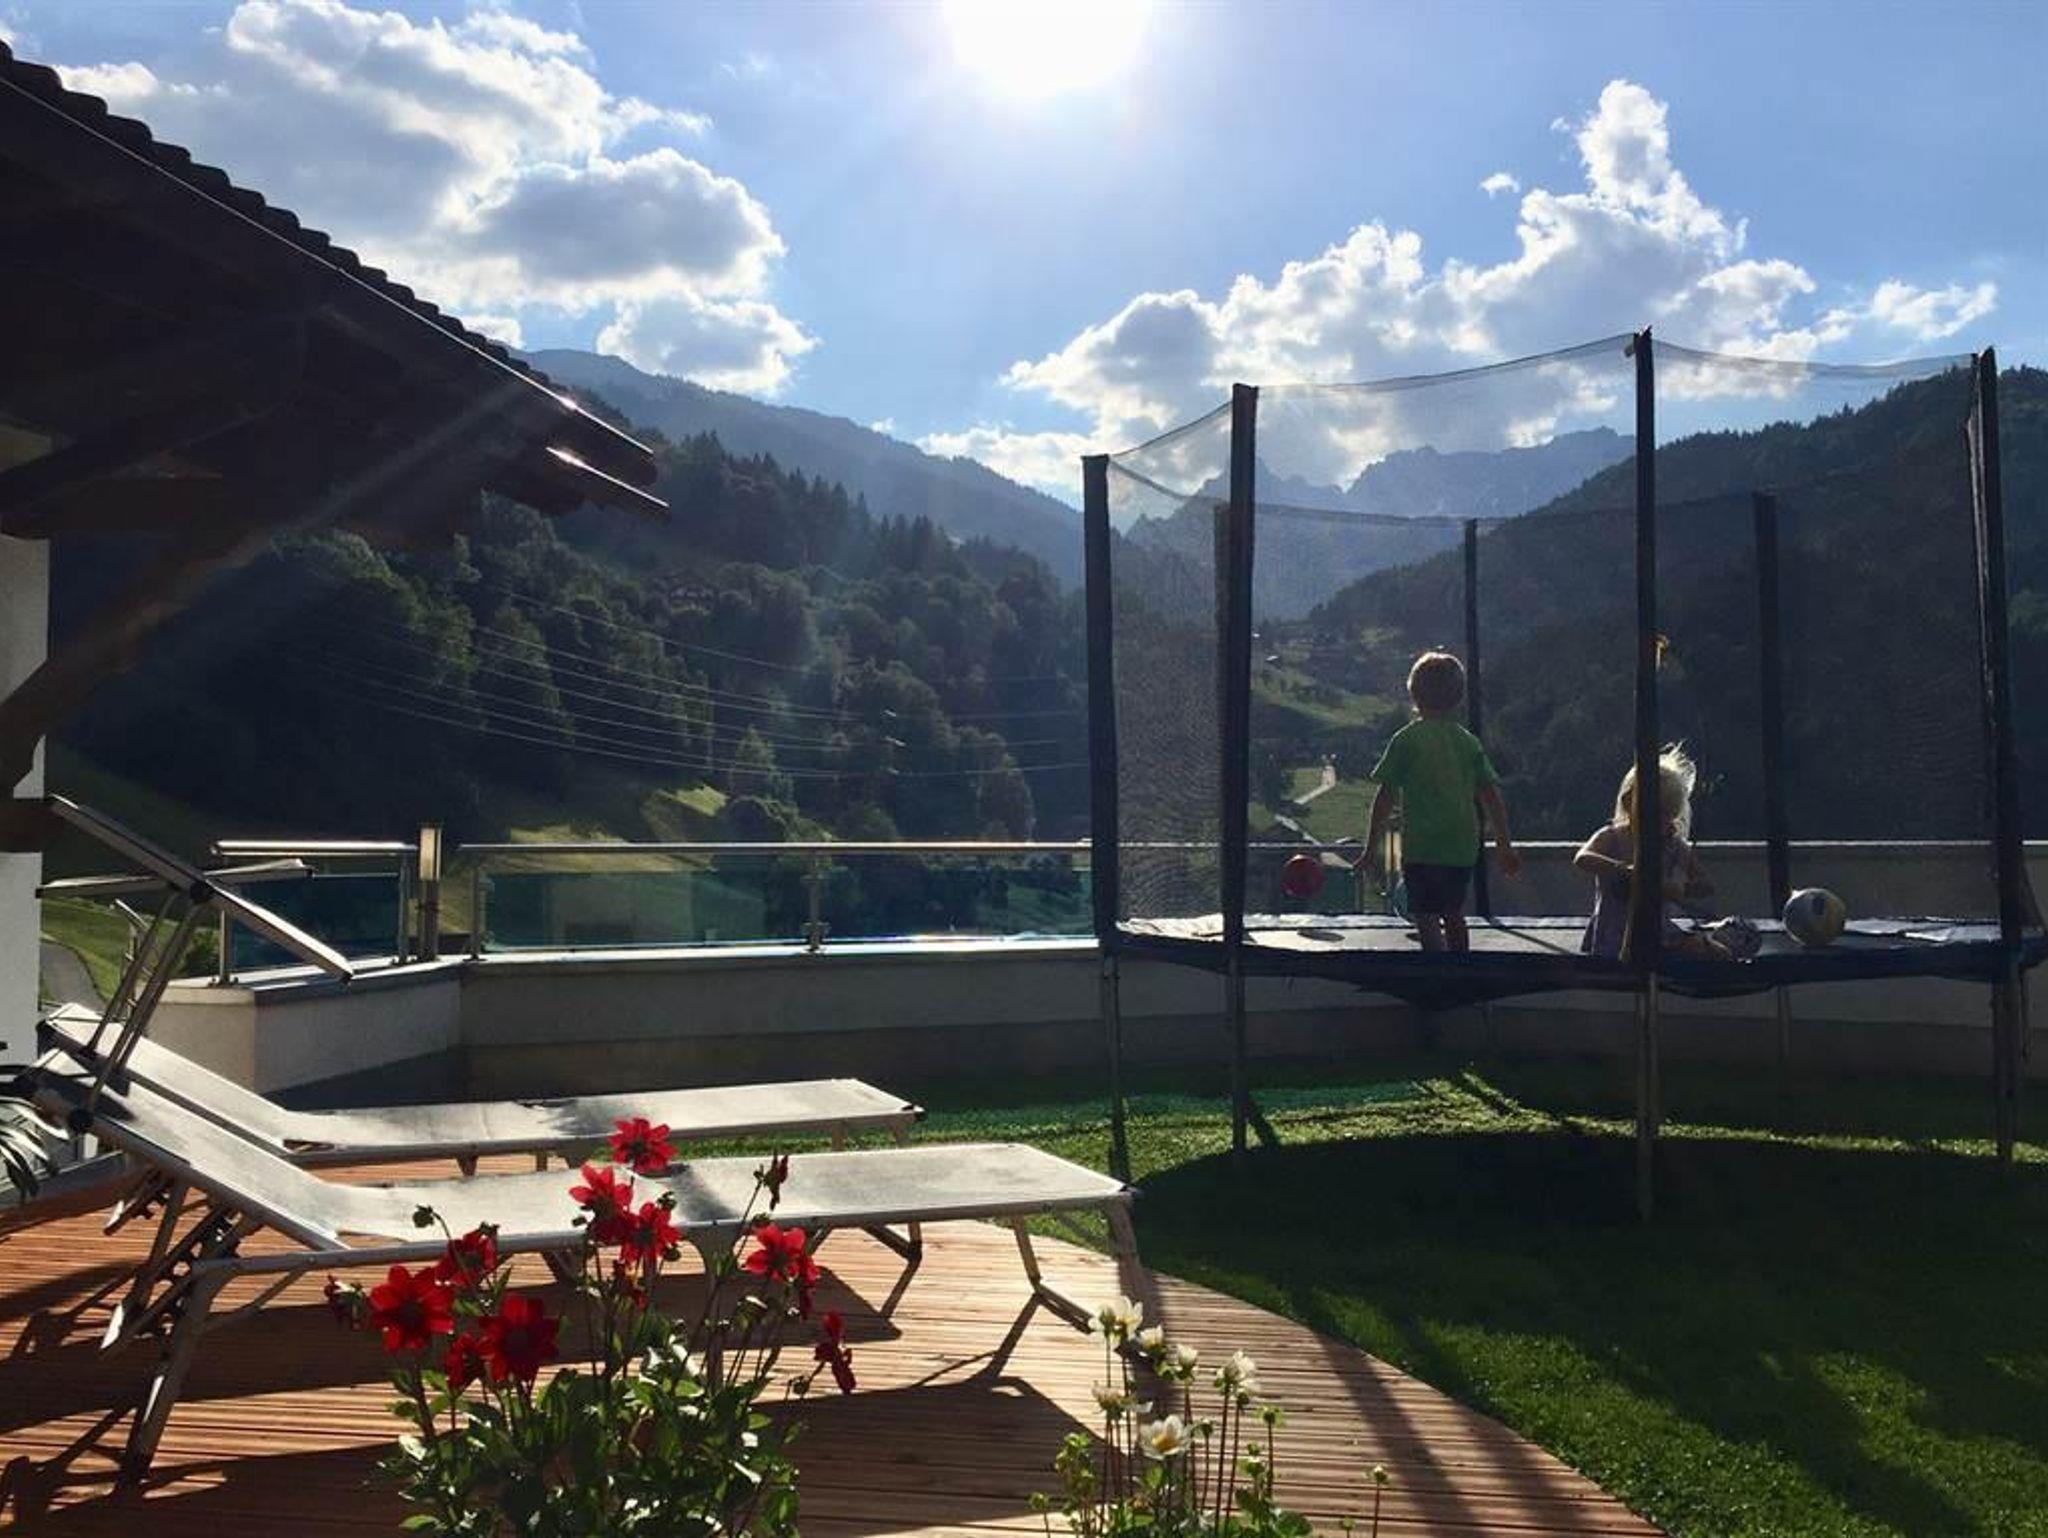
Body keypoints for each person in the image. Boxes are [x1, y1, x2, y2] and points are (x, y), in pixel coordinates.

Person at [1363, 650, 1519, 953]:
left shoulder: (1405, 741)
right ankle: (1461, 966)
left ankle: (1438, 966)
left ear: (1414, 694)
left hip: (1422, 845)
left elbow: (1385, 797)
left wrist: (1372, 847)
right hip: (1461, 845)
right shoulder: (1468, 743)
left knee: (1426, 915)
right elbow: (1490, 795)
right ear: (1458, 699)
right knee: (1453, 912)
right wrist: (1503, 843)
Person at [1574, 745, 1731, 961]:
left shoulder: (1674, 847)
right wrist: (1623, 869)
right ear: (1629, 803)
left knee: (1716, 953)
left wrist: (1680, 888)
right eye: (1656, 813)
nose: (1662, 821)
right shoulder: (1613, 837)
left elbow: (1707, 885)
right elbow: (1582, 858)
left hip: (1658, 932)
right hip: (1615, 934)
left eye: (1669, 815)